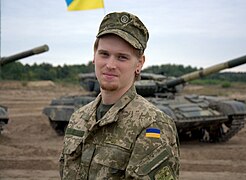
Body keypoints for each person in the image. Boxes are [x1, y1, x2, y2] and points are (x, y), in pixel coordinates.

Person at [59, 11, 180, 180]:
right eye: (104, 54)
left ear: (139, 63)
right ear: (94, 56)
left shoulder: (151, 124)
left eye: (122, 57)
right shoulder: (79, 118)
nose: (110, 65)